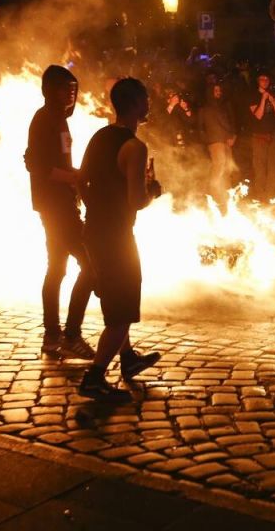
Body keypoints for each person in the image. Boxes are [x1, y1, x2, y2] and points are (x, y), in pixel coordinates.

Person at [77, 77, 162, 403]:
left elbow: (81, 180)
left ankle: (128, 359)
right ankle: (95, 378)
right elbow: (137, 200)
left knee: (115, 301)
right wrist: (152, 190)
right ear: (137, 104)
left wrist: (94, 208)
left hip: (94, 230)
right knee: (122, 308)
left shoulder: (100, 136)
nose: (149, 104)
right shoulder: (135, 147)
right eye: (145, 99)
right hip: (116, 237)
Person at [24, 65, 97, 360]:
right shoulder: (44, 120)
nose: (70, 93)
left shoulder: (58, 120)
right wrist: (75, 179)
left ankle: (52, 336)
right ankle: (71, 335)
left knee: (56, 269)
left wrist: (80, 177)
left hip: (61, 203)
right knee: (91, 267)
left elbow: (61, 164)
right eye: (63, 88)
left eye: (72, 88)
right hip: (55, 206)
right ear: (49, 90)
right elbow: (39, 167)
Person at [198, 83, 236, 205]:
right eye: (215, 90)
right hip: (214, 141)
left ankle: (226, 193)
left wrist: (233, 136)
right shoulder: (204, 108)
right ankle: (213, 192)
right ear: (210, 92)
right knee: (219, 165)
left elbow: (232, 121)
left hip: (227, 141)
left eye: (219, 90)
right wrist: (207, 140)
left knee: (228, 167)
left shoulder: (225, 106)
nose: (218, 92)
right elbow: (200, 127)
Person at [249, 72, 275, 200]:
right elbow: (258, 115)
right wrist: (263, 99)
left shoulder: (273, 94)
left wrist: (273, 101)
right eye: (262, 79)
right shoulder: (253, 95)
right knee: (260, 167)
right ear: (257, 81)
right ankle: (260, 195)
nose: (264, 81)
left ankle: (270, 194)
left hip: (274, 135)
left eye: (267, 79)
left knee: (273, 166)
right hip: (259, 136)